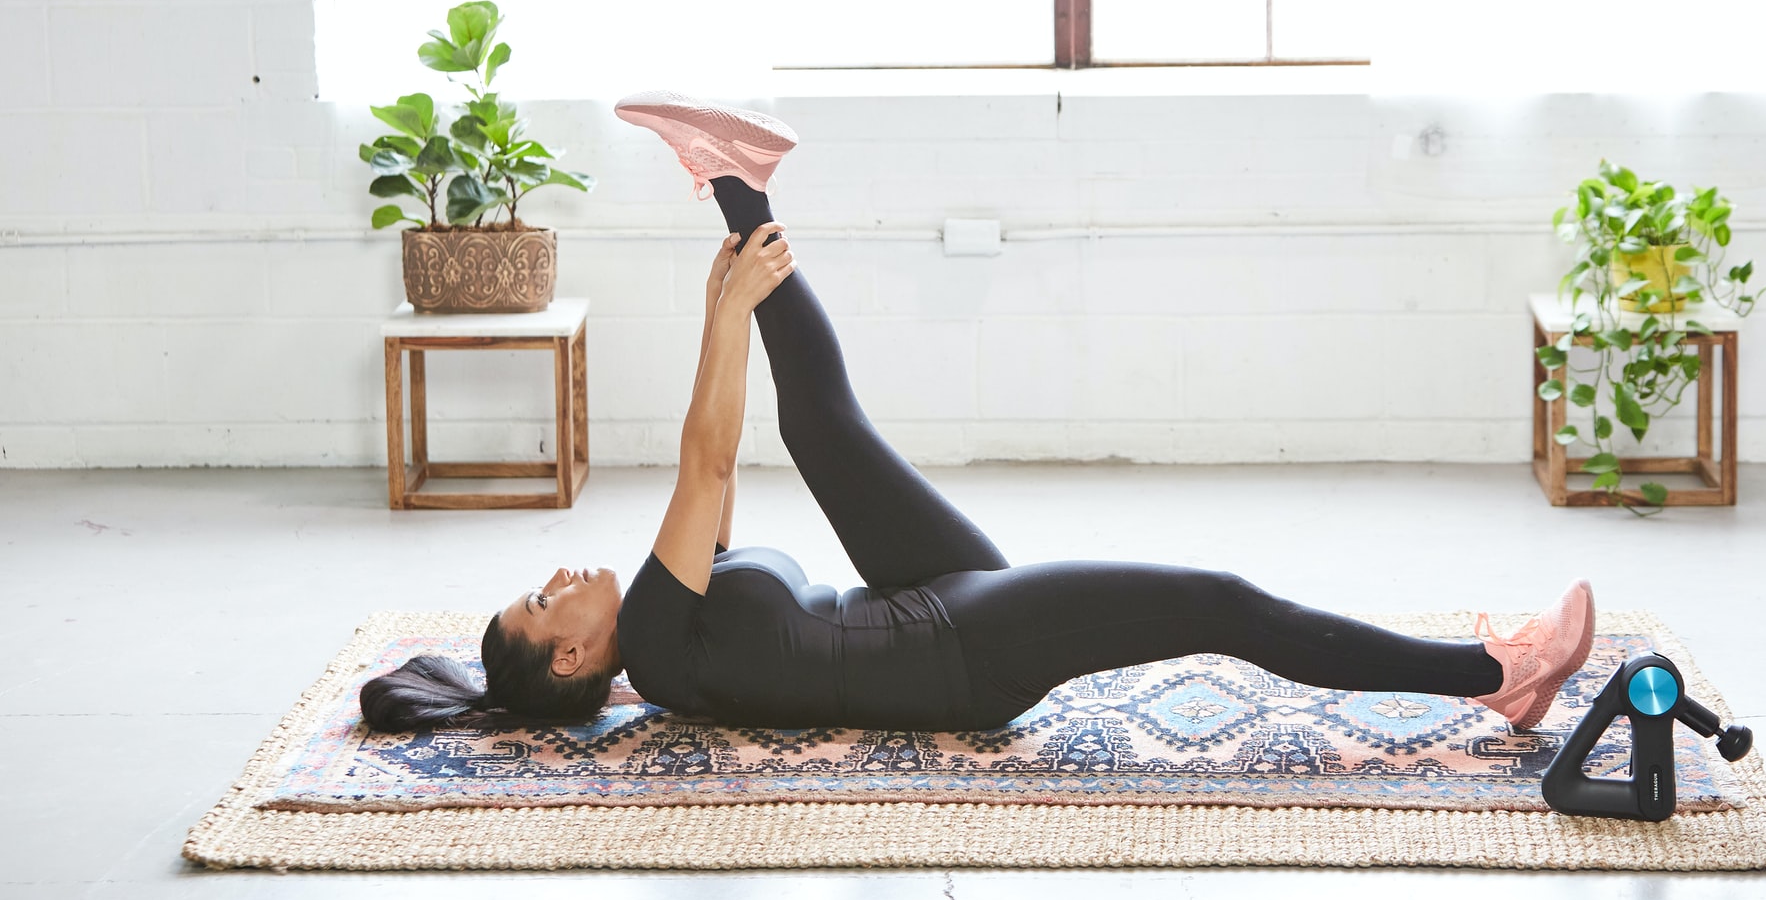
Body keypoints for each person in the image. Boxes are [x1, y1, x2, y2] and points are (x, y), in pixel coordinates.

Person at [360, 94, 1595, 736]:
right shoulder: (664, 640)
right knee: (1218, 600)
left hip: (924, 597)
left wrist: (721, 311)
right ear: (573, 655)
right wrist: (723, 321)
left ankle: (735, 180)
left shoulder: (665, 636)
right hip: (962, 657)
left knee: (822, 428)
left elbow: (724, 466)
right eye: (544, 599)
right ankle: (1494, 674)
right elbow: (700, 452)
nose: (561, 574)